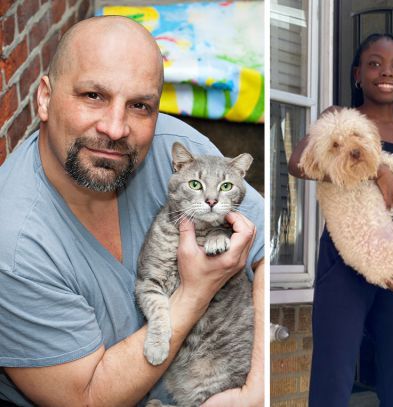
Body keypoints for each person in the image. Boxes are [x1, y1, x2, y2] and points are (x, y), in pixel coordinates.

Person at [0, 16, 264, 406]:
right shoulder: (15, 246)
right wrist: (195, 291)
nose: (115, 127)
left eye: (140, 105)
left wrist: (256, 391)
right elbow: (87, 399)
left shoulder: (175, 146)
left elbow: (264, 249)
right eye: (93, 95)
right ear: (44, 98)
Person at [288, 33, 393, 406]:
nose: (386, 72)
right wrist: (374, 167)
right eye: (374, 63)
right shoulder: (337, 120)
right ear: (357, 74)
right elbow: (299, 164)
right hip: (344, 261)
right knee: (332, 379)